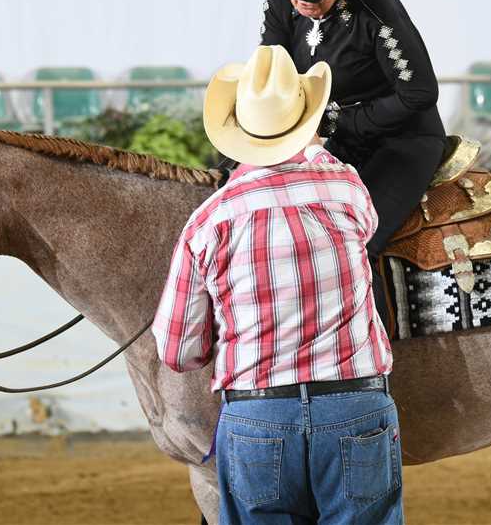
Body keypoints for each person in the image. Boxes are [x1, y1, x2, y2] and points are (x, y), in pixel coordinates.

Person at [153, 45, 403, 524]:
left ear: (238, 131)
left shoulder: (207, 222)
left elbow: (177, 351)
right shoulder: (347, 189)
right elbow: (366, 227)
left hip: (258, 415)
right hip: (354, 404)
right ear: (306, 120)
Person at [258, 0, 448, 329]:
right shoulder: (282, 0)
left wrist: (338, 123)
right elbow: (270, 70)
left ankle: (370, 354)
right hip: (324, 139)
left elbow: (419, 92)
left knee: (356, 242)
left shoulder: (378, 12)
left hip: (401, 141)